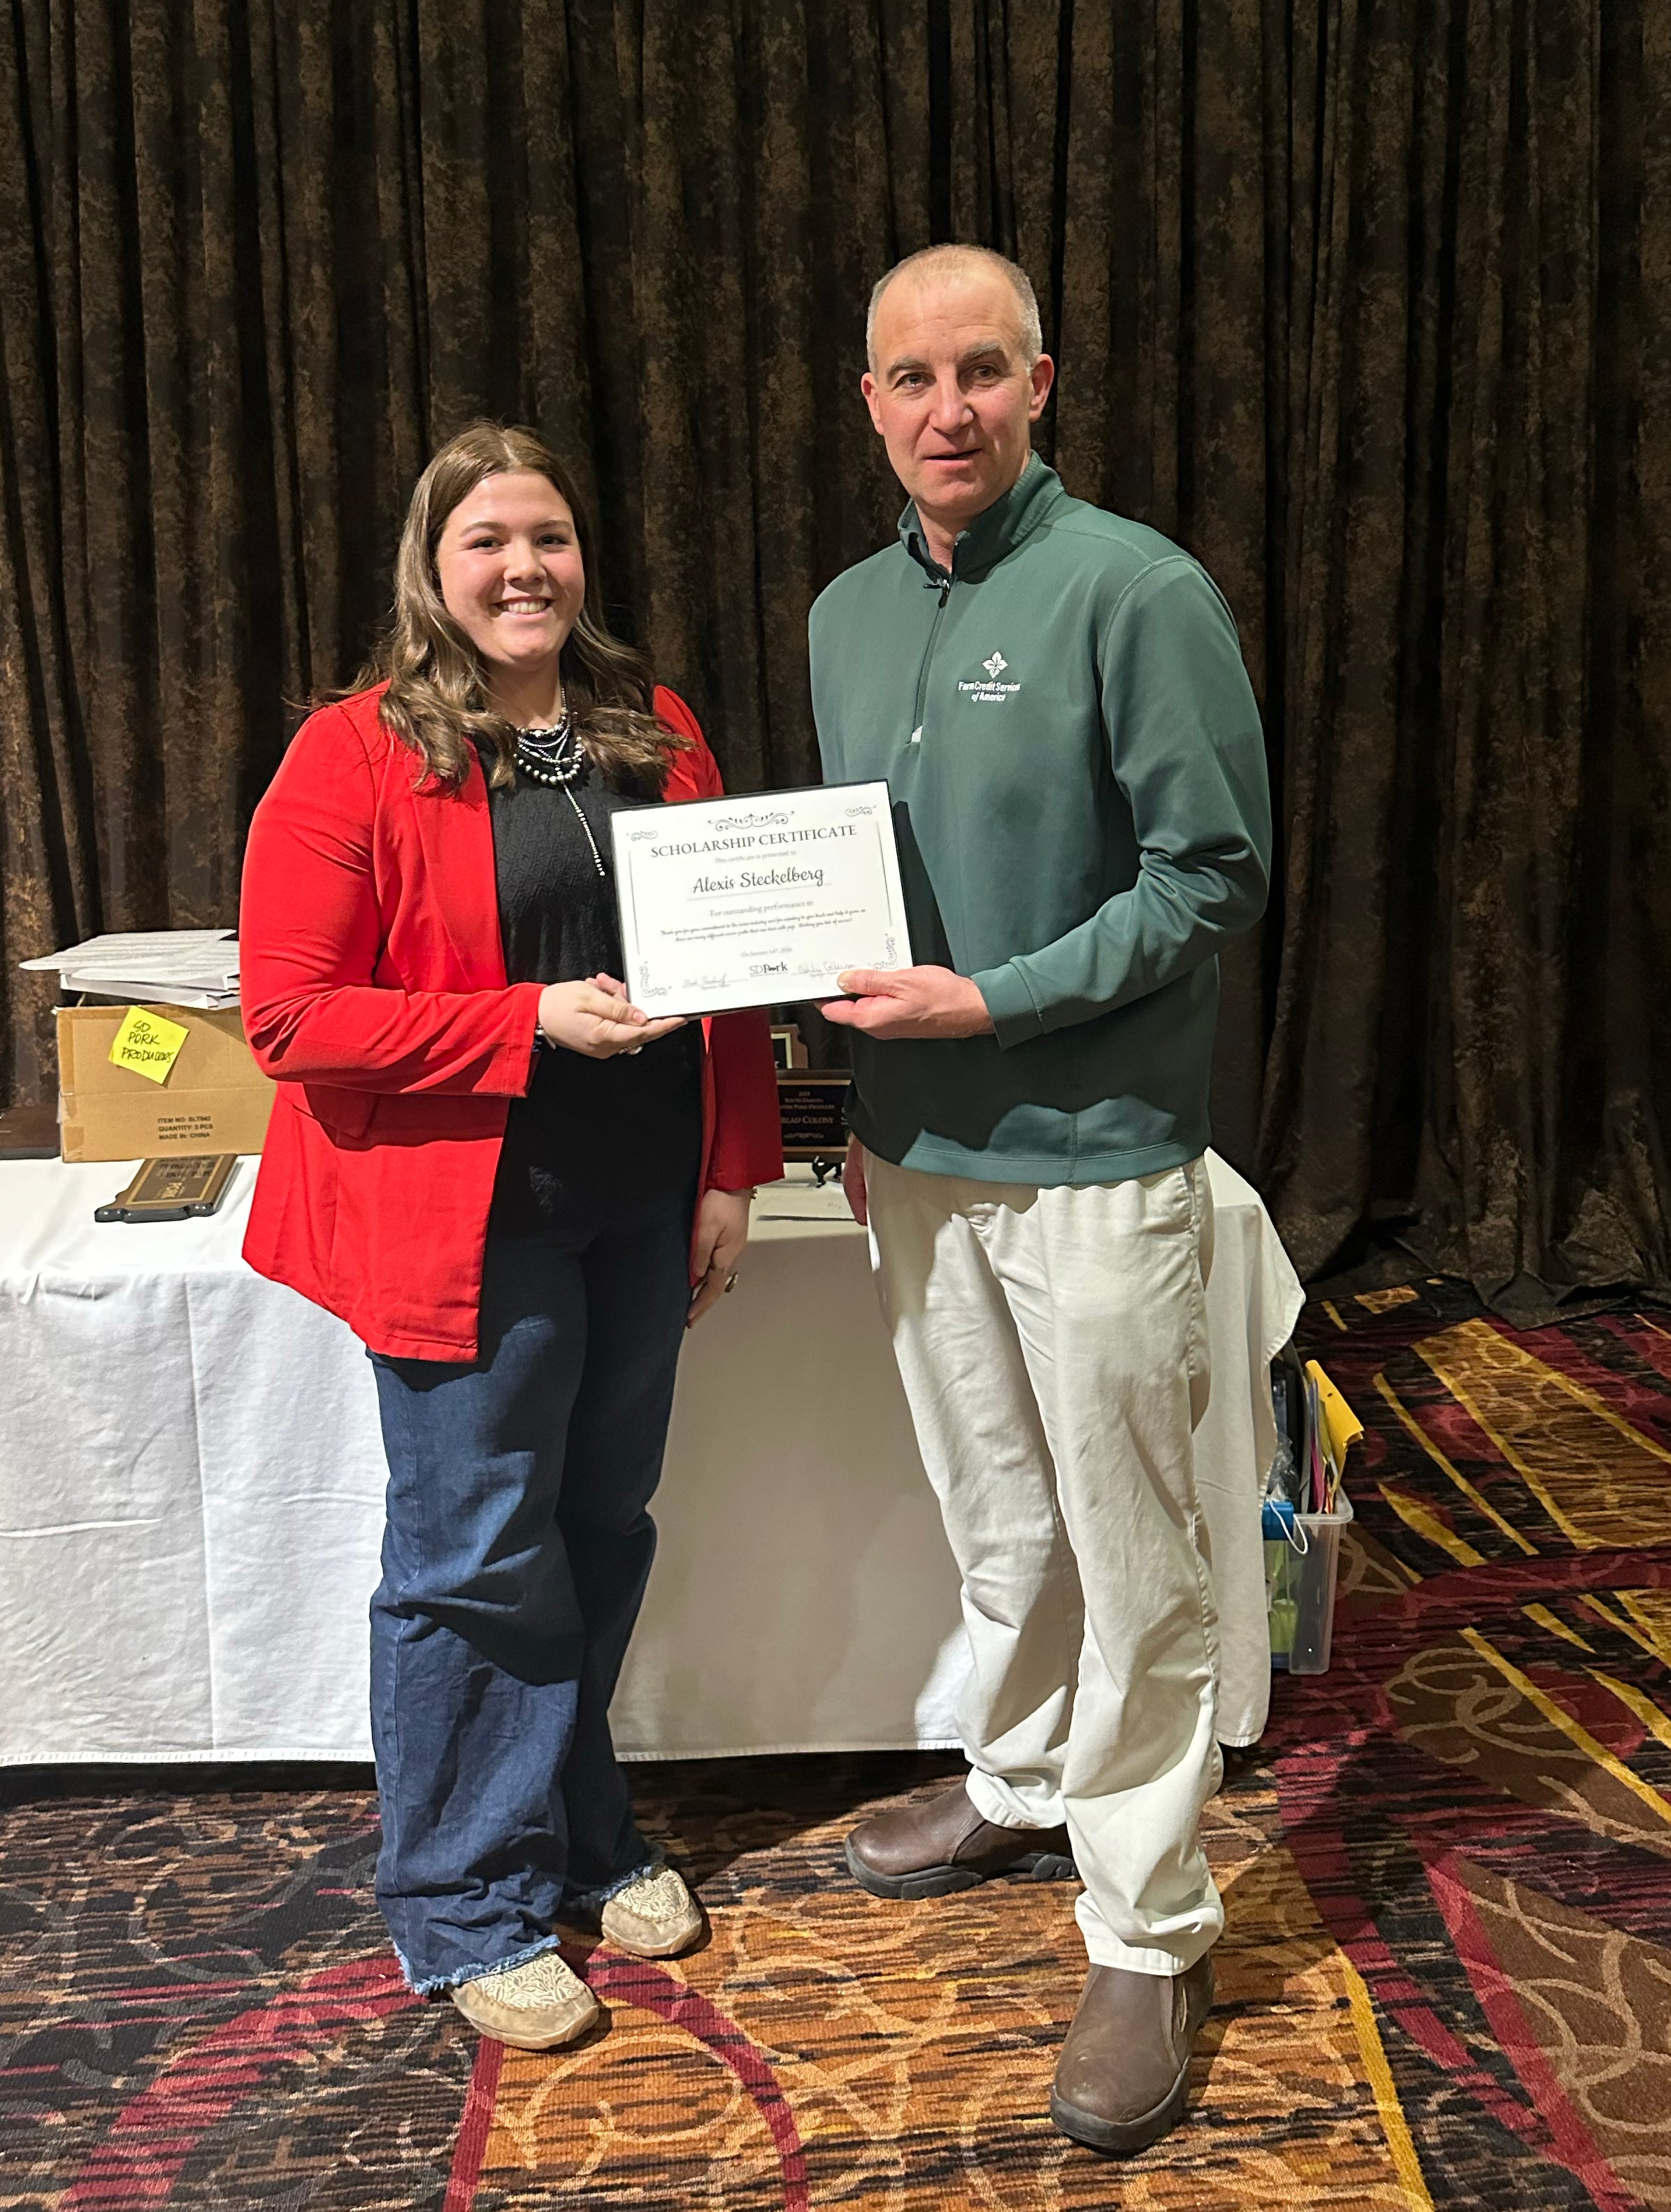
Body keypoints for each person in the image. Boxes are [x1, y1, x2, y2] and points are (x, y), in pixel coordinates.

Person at [809, 246, 1272, 2154]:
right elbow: (852, 899)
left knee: (1141, 1547)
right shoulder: (844, 611)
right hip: (915, 1160)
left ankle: (1149, 1918)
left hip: (1098, 1161)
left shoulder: (1138, 588)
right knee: (995, 1510)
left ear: (1042, 380)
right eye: (910, 376)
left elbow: (1211, 877)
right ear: (870, 400)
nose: (946, 408)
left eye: (979, 370)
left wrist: (989, 1002)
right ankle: (1014, 1770)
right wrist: (868, 1090)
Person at [240, 422, 782, 2053]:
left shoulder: (655, 728)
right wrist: (522, 1018)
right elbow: (292, 1014)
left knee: (601, 1524)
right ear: (434, 566)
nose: (523, 565)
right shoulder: (352, 753)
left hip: (634, 1200)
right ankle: (465, 1901)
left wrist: (732, 1169)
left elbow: (735, 966)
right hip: (465, 1218)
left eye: (546, 534)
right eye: (487, 540)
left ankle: (575, 1824)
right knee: (472, 1555)